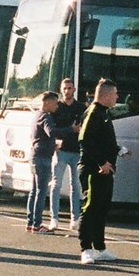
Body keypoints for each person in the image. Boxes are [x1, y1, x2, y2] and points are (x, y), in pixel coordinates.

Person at [76, 79, 120, 263]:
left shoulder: (104, 114)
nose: (117, 97)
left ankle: (100, 247)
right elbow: (84, 139)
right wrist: (101, 162)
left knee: (102, 209)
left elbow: (103, 140)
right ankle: (85, 248)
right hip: (93, 170)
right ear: (107, 95)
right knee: (90, 207)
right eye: (116, 94)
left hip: (106, 170)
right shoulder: (93, 112)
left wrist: (118, 150)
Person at [26, 91, 62, 233]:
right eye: (55, 103)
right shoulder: (46, 117)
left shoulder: (37, 115)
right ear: (47, 102)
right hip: (42, 158)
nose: (57, 106)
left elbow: (39, 137)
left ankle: (30, 222)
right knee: (41, 191)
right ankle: (37, 224)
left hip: (34, 156)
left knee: (34, 190)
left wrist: (52, 145)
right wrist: (70, 129)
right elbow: (51, 132)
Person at [49, 78, 82, 227]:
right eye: (64, 88)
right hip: (61, 150)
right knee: (56, 184)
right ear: (61, 90)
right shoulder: (57, 108)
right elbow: (51, 129)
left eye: (70, 88)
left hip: (77, 150)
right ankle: (54, 218)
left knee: (76, 185)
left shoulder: (81, 108)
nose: (67, 91)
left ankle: (75, 218)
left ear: (74, 90)